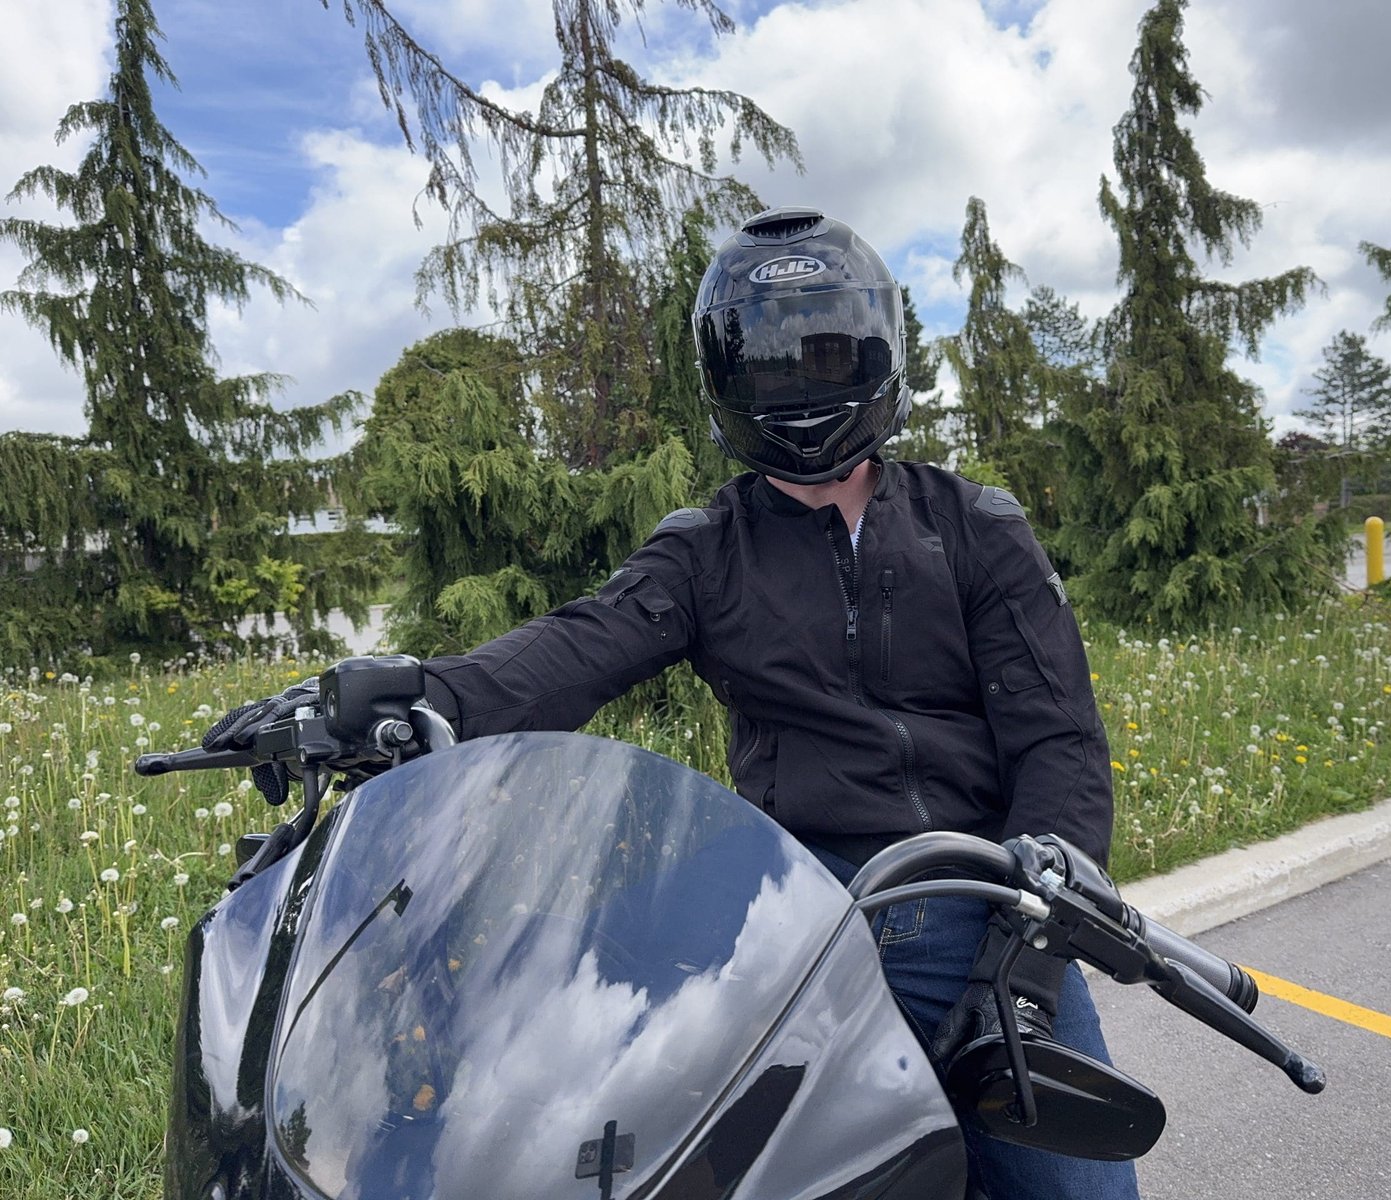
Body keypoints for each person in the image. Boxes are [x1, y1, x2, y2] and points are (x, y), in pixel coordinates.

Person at [209, 207, 1138, 1199]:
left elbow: (1058, 745)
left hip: (983, 910)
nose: (795, 379)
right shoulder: (707, 548)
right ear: (726, 376)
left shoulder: (976, 526)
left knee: (1079, 1191)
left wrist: (1037, 929)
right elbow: (574, 649)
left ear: (872, 349)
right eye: (769, 360)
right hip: (800, 919)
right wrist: (406, 693)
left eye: (820, 351)